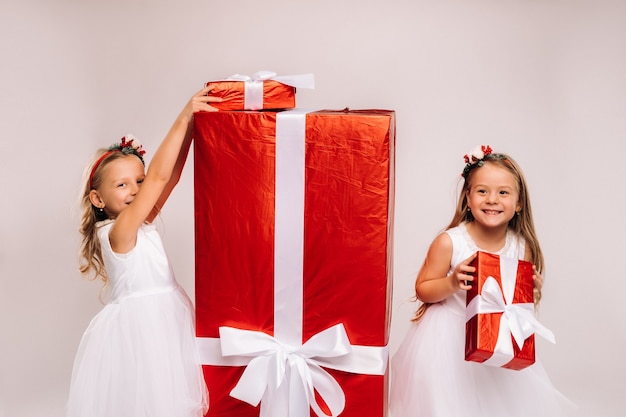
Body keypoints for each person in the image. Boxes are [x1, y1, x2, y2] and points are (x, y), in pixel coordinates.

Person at [66, 86, 221, 417]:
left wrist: (194, 126)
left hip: (165, 321)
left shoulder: (137, 222)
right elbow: (159, 178)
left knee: (170, 400)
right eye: (121, 185)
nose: (135, 190)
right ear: (98, 199)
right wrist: (184, 115)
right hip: (141, 329)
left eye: (138, 181)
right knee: (148, 401)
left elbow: (170, 178)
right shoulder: (118, 232)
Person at [389, 146, 576, 417]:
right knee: (450, 404)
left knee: (496, 405)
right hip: (448, 338)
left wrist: (529, 290)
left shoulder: (520, 246)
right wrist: (452, 283)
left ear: (519, 203)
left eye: (503, 192)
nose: (492, 200)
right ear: (467, 197)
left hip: (495, 338)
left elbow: (516, 308)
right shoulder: (450, 241)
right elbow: (423, 288)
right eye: (482, 191)